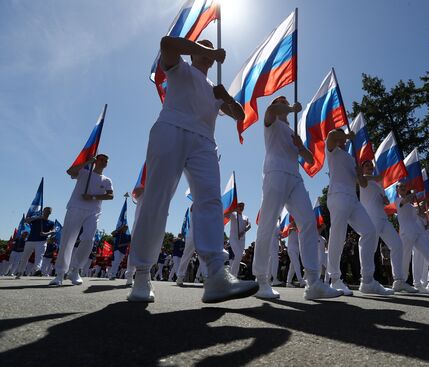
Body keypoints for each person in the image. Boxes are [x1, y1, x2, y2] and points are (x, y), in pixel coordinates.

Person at [127, 36, 258, 303]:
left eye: (210, 49)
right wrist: (206, 49)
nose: (208, 53)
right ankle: (141, 273)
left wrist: (226, 97)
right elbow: (166, 43)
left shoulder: (213, 87)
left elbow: (240, 115)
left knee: (210, 201)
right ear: (194, 53)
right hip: (171, 129)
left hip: (204, 141)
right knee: (157, 199)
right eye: (203, 48)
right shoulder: (179, 68)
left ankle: (215, 276)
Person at [253, 96, 343, 300]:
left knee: (308, 222)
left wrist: (300, 146)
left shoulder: (292, 132)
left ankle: (313, 283)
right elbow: (269, 109)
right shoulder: (271, 122)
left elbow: (310, 160)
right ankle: (260, 280)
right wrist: (291, 108)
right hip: (275, 173)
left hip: (295, 178)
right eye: (281, 101)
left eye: (285, 100)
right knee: (267, 224)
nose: (283, 102)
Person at [324, 128, 390, 296]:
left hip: (353, 199)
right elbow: (331, 135)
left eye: (345, 138)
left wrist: (359, 170)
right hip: (338, 195)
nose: (344, 140)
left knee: (370, 231)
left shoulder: (351, 158)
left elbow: (363, 183)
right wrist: (346, 135)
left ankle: (367, 280)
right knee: (338, 236)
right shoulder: (332, 150)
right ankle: (335, 279)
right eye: (342, 137)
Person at [49, 154, 114, 286]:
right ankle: (60, 274)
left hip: (94, 211)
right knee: (68, 239)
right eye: (101, 159)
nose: (104, 162)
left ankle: (75, 270)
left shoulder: (107, 180)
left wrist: (93, 197)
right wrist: (87, 162)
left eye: (106, 160)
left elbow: (110, 195)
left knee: (89, 239)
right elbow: (70, 172)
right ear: (96, 161)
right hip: (76, 207)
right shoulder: (84, 173)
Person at [359, 160, 417, 293]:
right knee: (370, 248)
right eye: (366, 165)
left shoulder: (379, 184)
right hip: (371, 218)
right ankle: (366, 280)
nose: (370, 166)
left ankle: (398, 281)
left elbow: (383, 200)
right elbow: (362, 179)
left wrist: (384, 200)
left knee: (397, 245)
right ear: (362, 169)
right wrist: (377, 178)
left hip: (383, 218)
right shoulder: (364, 179)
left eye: (370, 165)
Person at [15, 207, 55, 277]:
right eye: (45, 211)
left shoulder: (51, 222)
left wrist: (46, 234)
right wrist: (37, 217)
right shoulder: (36, 219)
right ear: (43, 211)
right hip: (30, 241)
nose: (46, 213)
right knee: (25, 257)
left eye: (48, 211)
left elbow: (53, 231)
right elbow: (26, 221)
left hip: (41, 242)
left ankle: (36, 270)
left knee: (39, 256)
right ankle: (20, 272)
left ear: (50, 213)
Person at [228, 202, 251, 276]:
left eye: (243, 206)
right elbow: (224, 215)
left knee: (239, 257)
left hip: (242, 239)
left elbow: (249, 225)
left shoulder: (245, 217)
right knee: (237, 255)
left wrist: (244, 231)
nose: (241, 207)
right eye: (240, 206)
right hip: (233, 238)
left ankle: (234, 275)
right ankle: (232, 275)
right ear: (237, 206)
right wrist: (232, 210)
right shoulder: (233, 214)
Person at [285, 222, 306, 287]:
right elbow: (288, 230)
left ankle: (288, 282)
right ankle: (301, 280)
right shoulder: (291, 229)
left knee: (292, 267)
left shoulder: (299, 232)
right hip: (291, 250)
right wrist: (293, 228)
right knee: (297, 264)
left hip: (297, 250)